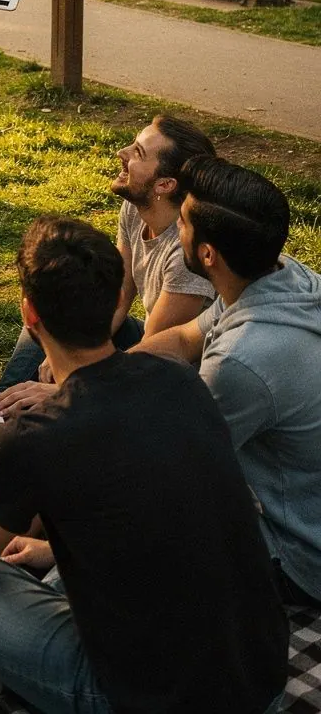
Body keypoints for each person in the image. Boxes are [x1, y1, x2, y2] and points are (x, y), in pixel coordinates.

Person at [0, 216, 288, 714]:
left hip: (144, 698)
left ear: (29, 313)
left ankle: (10, 684)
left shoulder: (30, 438)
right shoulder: (181, 382)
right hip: (263, 676)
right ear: (115, 303)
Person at [0, 114, 216, 454]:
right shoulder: (137, 208)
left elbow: (154, 357)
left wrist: (72, 385)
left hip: (175, 379)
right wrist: (63, 347)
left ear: (164, 185)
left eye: (139, 153)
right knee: (53, 309)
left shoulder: (186, 253)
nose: (122, 153)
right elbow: (118, 293)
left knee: (77, 369)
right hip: (146, 345)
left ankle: (33, 425)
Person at [136, 154, 321, 607]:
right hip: (302, 498)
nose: (174, 228)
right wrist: (93, 379)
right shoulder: (281, 277)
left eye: (180, 222)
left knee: (135, 498)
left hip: (297, 558)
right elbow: (182, 340)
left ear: (207, 254)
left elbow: (172, 471)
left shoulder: (243, 360)